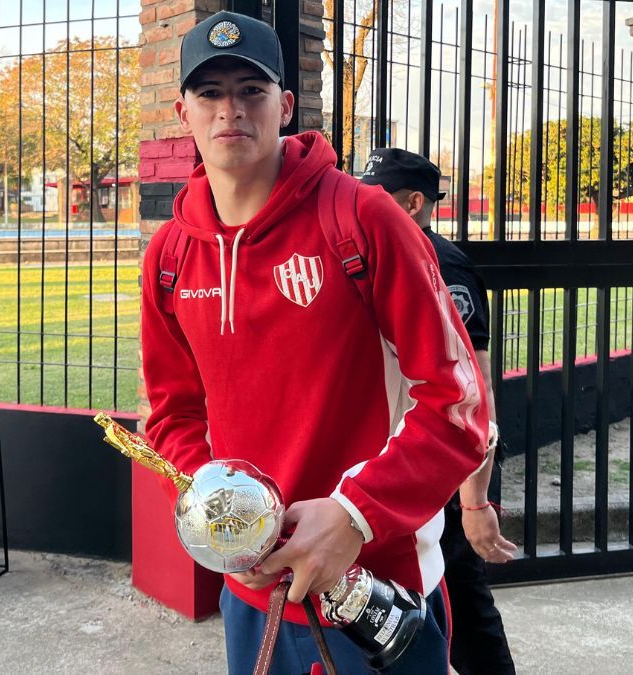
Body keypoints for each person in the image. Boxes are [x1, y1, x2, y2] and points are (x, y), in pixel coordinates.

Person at [142, 11, 492, 673]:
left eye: (251, 89)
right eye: (210, 92)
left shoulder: (362, 219)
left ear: (286, 104)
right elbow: (171, 415)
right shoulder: (170, 254)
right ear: (183, 109)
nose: (230, 110)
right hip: (253, 589)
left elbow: (458, 405)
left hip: (373, 585)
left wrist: (354, 512)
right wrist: (223, 517)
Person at [361, 148, 517, 674]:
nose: (362, 203)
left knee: (463, 601)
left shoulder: (440, 263)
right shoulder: (382, 253)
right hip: (406, 456)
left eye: (377, 195)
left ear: (414, 202)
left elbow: (475, 385)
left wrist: (473, 501)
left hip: (448, 463)